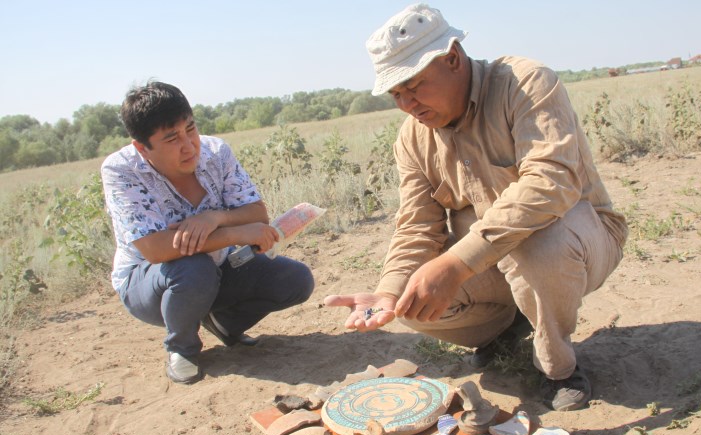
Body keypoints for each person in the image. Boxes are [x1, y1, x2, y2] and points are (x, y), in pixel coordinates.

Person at [324, 4, 627, 411]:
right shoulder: (413, 138)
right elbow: (417, 226)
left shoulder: (525, 83)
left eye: (414, 85)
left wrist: (456, 263)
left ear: (452, 58)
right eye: (397, 94)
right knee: (409, 300)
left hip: (581, 238)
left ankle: (558, 368)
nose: (408, 104)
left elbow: (549, 184)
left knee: (538, 246)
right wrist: (388, 291)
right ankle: (508, 325)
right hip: (495, 259)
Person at [101, 81, 314, 385]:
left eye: (191, 128)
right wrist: (232, 234)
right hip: (149, 282)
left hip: (217, 269)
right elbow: (156, 249)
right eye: (172, 138)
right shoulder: (121, 170)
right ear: (142, 147)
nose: (188, 145)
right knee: (192, 267)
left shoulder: (216, 152)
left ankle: (223, 323)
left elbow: (256, 214)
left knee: (296, 280)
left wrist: (214, 217)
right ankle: (182, 349)